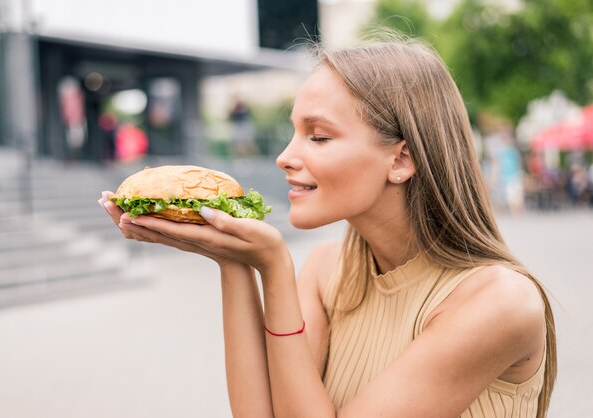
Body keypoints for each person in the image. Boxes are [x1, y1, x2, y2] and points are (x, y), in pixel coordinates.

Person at [99, 37, 556, 418]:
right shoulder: (326, 270)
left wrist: (275, 267)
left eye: (317, 136)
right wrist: (233, 262)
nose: (284, 156)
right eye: (293, 132)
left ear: (401, 159)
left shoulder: (499, 303)